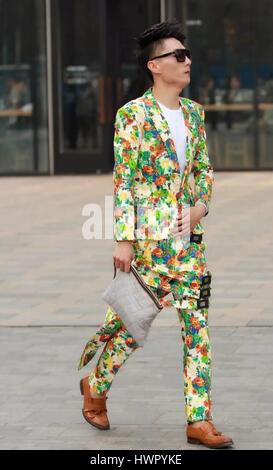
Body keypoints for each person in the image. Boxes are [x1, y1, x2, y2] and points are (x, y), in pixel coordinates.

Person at [78, 20, 233, 449]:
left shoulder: (195, 113)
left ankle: (198, 420)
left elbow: (203, 171)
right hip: (149, 244)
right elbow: (124, 179)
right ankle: (96, 385)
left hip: (188, 247)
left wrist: (201, 207)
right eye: (178, 56)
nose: (187, 62)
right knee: (132, 325)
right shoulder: (133, 115)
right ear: (155, 66)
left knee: (196, 329)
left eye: (187, 55)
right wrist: (124, 239)